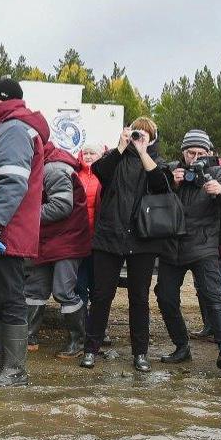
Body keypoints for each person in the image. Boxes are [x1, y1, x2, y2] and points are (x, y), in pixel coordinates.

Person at [0, 78, 48, 388]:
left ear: (0, 100)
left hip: (4, 235)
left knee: (10, 297)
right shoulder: (0, 129)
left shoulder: (13, 129)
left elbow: (14, 182)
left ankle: (15, 371)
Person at [80, 117, 170, 372]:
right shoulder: (117, 159)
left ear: (153, 138)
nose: (140, 138)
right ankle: (90, 349)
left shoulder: (156, 162)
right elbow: (99, 172)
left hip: (143, 239)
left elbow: (162, 185)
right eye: (136, 133)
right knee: (101, 296)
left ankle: (140, 353)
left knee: (139, 297)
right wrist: (120, 146)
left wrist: (144, 153)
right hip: (110, 235)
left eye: (146, 134)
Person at [154, 129, 221, 375]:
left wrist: (220, 191)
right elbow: (155, 202)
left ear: (209, 153)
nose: (196, 157)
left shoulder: (217, 172)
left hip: (203, 245)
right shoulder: (171, 170)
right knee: (166, 296)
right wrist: (172, 183)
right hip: (172, 247)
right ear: (183, 152)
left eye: (201, 153)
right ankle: (181, 346)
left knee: (213, 296)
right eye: (191, 152)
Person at [25, 141, 92, 358]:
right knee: (35, 289)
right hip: (47, 239)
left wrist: (25, 215)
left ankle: (79, 341)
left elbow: (62, 206)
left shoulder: (53, 168)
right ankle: (28, 337)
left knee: (63, 291)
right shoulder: (44, 164)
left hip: (67, 240)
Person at [74, 143, 103, 335]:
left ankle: (98, 326)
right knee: (79, 285)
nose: (89, 156)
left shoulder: (105, 174)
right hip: (78, 240)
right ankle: (82, 326)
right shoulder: (76, 174)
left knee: (98, 287)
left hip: (99, 240)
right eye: (86, 153)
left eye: (93, 153)